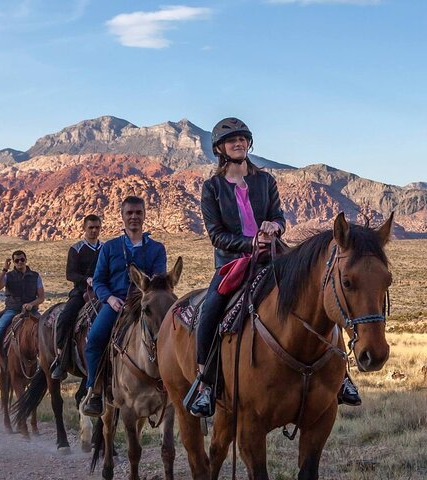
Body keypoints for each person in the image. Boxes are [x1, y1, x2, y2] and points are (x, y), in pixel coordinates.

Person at [187, 117, 361, 418]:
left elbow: (280, 217)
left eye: (242, 139)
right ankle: (205, 382)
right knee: (211, 308)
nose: (238, 143)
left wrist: (275, 227)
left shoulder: (265, 181)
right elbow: (216, 234)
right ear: (220, 148)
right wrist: (251, 242)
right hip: (233, 262)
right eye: (232, 140)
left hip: (275, 256)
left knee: (320, 295)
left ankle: (342, 375)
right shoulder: (212, 187)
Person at [81, 196, 167, 416]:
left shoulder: (157, 248)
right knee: (95, 339)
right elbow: (99, 280)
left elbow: (159, 280)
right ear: (122, 216)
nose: (134, 217)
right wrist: (109, 299)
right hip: (117, 304)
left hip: (145, 303)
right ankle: (96, 391)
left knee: (171, 335)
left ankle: (176, 386)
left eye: (138, 212)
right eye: (129, 213)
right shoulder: (110, 247)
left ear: (145, 215)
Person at [50, 214, 103, 380]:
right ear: (84, 229)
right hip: (81, 291)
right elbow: (70, 274)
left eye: (97, 227)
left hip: (103, 291)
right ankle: (61, 356)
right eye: (91, 227)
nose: (94, 231)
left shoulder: (105, 248)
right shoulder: (76, 249)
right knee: (66, 316)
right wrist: (86, 279)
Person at [0, 251, 45, 380]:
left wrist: (31, 304)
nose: (20, 262)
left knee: (45, 329)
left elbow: (41, 297)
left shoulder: (35, 276)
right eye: (17, 260)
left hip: (31, 310)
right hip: (12, 310)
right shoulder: (8, 276)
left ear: (26, 259)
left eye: (22, 259)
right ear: (13, 262)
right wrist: (4, 269)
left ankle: (50, 362)